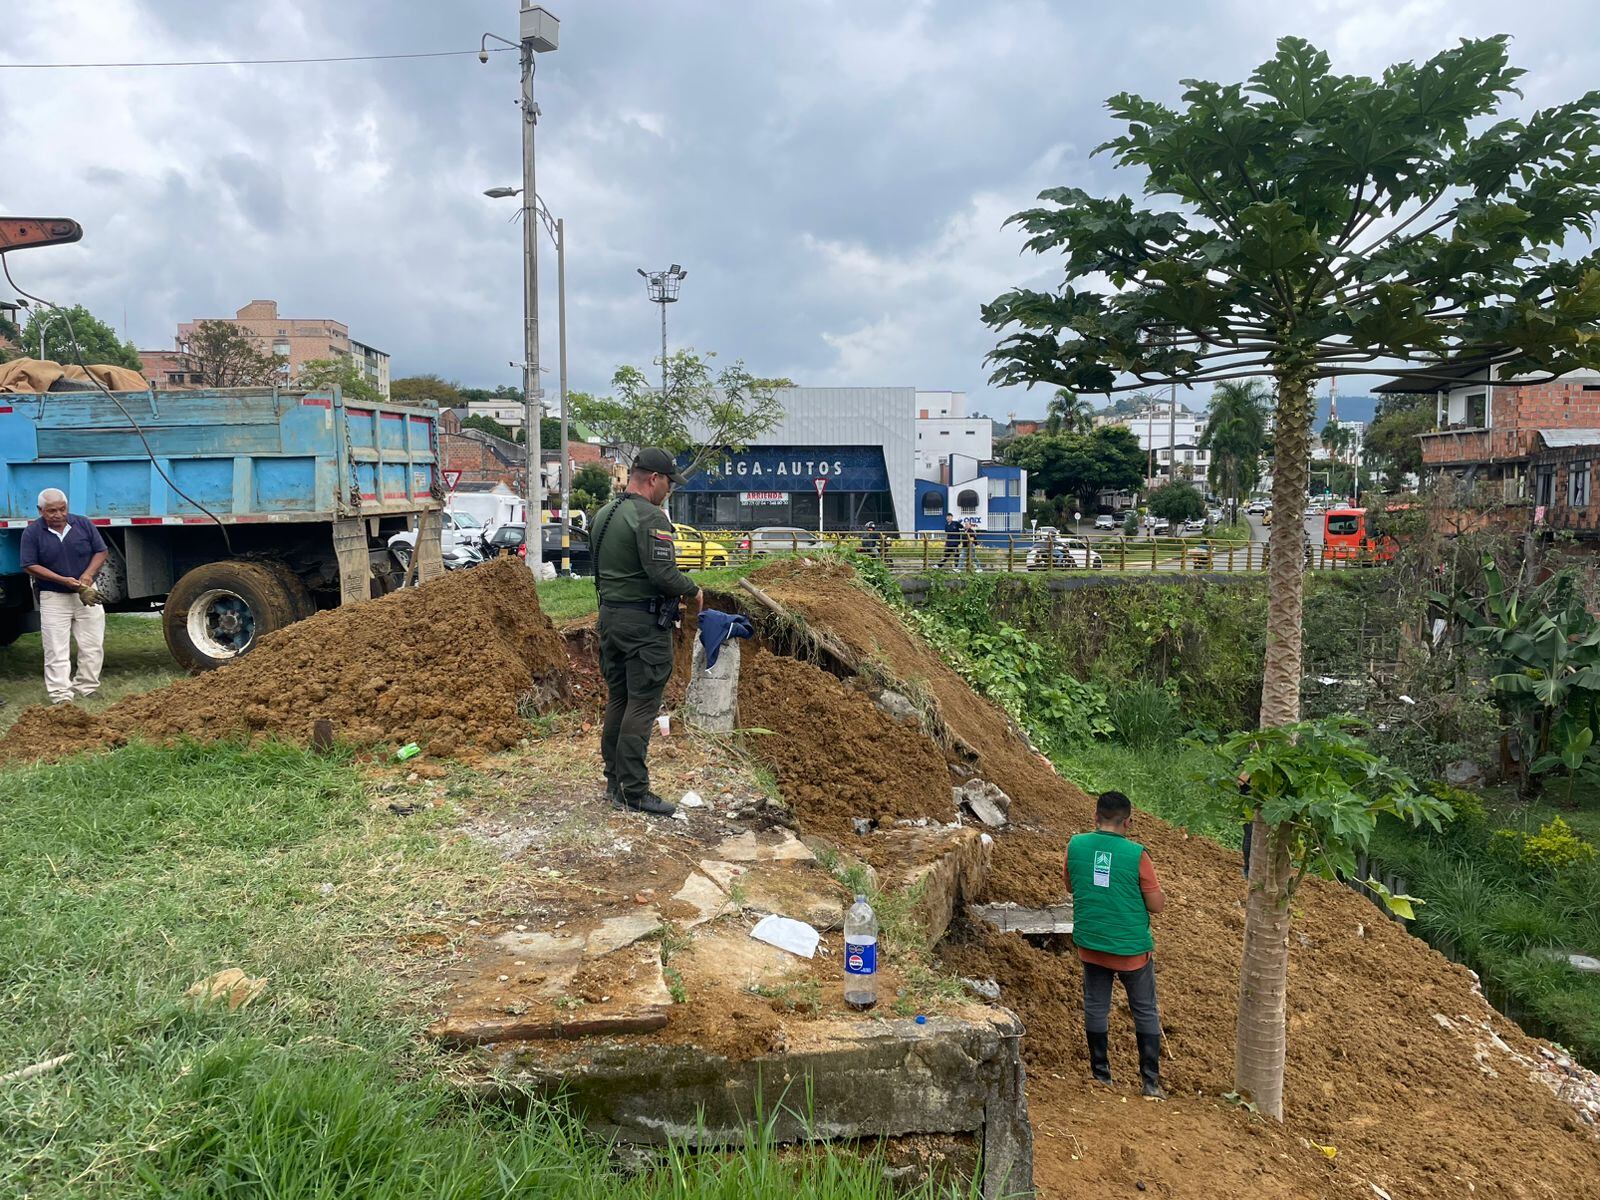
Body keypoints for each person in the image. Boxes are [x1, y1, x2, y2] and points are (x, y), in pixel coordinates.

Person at [590, 448, 704, 817]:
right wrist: (693, 590)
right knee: (642, 704)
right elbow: (662, 575)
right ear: (653, 478)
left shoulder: (604, 515)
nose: (669, 490)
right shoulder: (650, 517)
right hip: (643, 626)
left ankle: (614, 782)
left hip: (610, 619)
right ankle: (635, 791)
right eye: (669, 482)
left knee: (619, 700)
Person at [1065, 790, 1168, 1098]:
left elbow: (1070, 885)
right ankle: (1150, 1082)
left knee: (1096, 1006)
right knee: (1145, 1009)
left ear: (1096, 817)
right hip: (1131, 950)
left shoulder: (1076, 845)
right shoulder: (1137, 854)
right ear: (1129, 823)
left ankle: (1101, 1076)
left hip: (1091, 944)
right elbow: (1156, 905)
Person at [19, 488, 108, 705]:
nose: (57, 514)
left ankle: (87, 686)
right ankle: (61, 694)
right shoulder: (31, 533)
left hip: (86, 592)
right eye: (51, 511)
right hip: (53, 595)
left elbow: (101, 551)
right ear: (40, 511)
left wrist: (87, 577)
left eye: (62, 509)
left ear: (67, 507)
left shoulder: (83, 524)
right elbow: (29, 565)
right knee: (55, 648)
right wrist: (63, 580)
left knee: (92, 643)